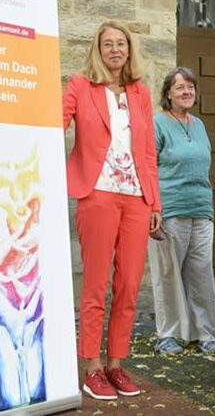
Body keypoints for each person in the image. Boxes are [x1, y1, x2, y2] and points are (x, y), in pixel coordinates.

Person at [63, 21, 161, 400]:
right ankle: (91, 366)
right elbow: (57, 122)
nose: (115, 50)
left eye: (121, 44)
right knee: (96, 284)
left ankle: (116, 363)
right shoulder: (80, 86)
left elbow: (149, 152)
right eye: (108, 44)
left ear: (129, 50)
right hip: (98, 194)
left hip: (136, 198)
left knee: (130, 284)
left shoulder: (141, 94)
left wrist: (155, 202)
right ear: (97, 49)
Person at [148, 67, 215, 356]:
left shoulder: (199, 124)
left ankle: (204, 333)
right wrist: (152, 209)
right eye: (180, 87)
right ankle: (166, 334)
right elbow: (148, 167)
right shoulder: (157, 123)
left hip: (201, 209)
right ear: (168, 93)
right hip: (169, 209)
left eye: (190, 87)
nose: (187, 92)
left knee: (202, 273)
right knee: (168, 274)